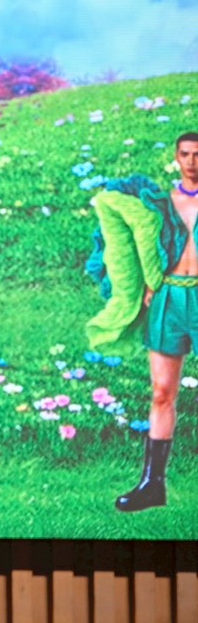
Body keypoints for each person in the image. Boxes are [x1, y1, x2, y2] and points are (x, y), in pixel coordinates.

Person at [84, 132, 198, 512]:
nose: (192, 161)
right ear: (176, 158)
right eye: (186, 154)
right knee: (162, 392)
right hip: (169, 297)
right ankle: (152, 485)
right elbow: (140, 239)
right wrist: (147, 284)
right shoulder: (161, 204)